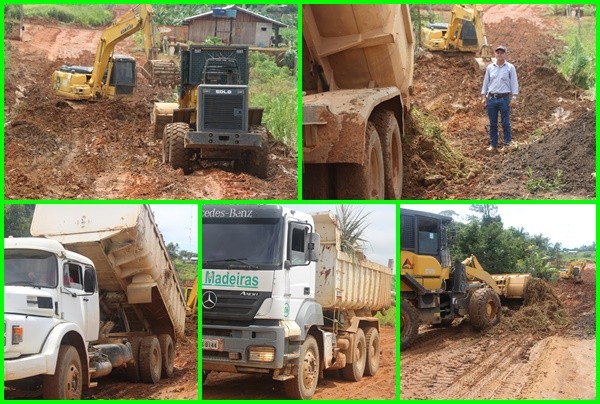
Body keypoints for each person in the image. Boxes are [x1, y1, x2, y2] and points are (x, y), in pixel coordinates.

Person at [481, 45, 519, 152]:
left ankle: (507, 145)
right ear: (495, 54)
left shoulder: (510, 68)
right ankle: (493, 145)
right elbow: (486, 83)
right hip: (492, 99)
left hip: (504, 99)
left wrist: (514, 97)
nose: (499, 54)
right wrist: (484, 97)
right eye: (498, 52)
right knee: (492, 123)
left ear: (505, 54)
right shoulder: (490, 68)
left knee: (505, 122)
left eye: (502, 52)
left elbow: (514, 83)